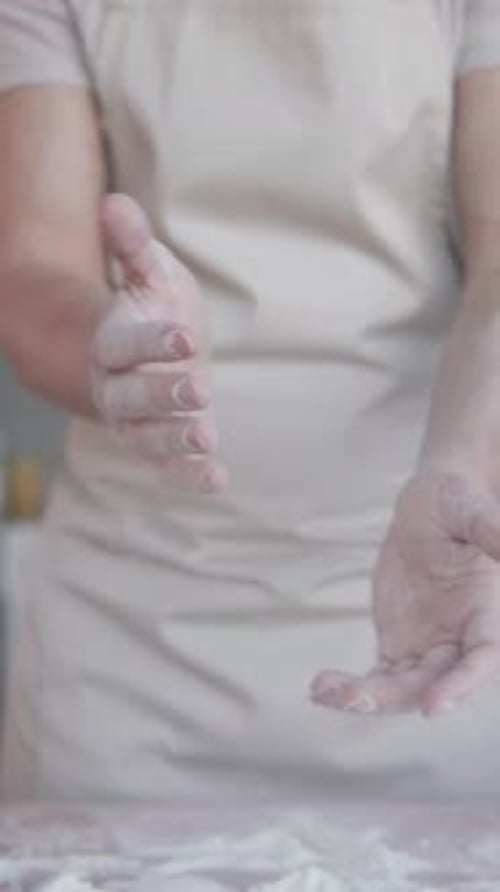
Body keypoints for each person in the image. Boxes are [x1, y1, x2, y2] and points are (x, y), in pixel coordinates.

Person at [1, 0, 500, 805]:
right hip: (130, 660)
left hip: (414, 609)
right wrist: (110, 350)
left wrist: (465, 462)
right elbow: (32, 267)